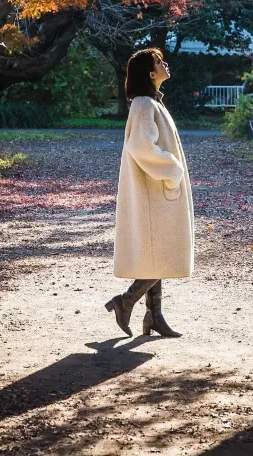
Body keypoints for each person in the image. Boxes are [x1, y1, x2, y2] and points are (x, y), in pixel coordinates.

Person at [105, 48, 194, 338]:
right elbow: (141, 147)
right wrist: (172, 170)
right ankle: (127, 301)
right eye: (158, 62)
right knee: (162, 253)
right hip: (154, 192)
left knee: (156, 255)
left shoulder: (149, 102)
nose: (164, 63)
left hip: (156, 192)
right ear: (150, 73)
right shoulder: (144, 104)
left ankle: (153, 316)